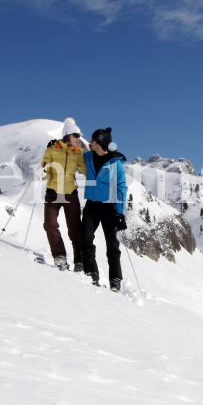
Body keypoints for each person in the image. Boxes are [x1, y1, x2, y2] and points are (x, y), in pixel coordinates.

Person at [81, 127, 128, 291]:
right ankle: (90, 274)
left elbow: (121, 187)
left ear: (100, 143)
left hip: (109, 207)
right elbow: (70, 156)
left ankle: (115, 279)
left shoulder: (115, 163)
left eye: (93, 140)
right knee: (85, 239)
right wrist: (55, 148)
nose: (90, 142)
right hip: (91, 205)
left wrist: (120, 213)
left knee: (112, 244)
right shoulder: (87, 157)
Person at [39, 118, 87, 271]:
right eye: (76, 135)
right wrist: (46, 166)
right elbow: (45, 164)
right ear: (67, 134)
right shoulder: (53, 148)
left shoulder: (78, 153)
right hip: (53, 193)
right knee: (49, 224)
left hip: (70, 193)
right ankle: (59, 256)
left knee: (75, 228)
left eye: (79, 136)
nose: (78, 139)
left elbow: (86, 171)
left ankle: (79, 261)